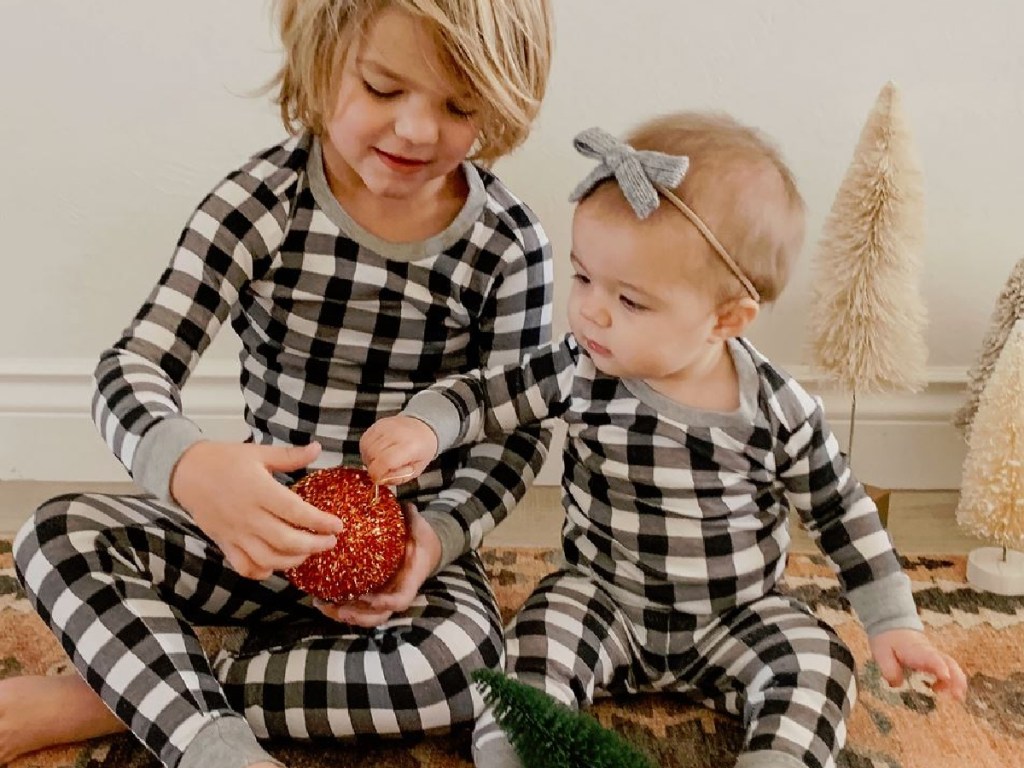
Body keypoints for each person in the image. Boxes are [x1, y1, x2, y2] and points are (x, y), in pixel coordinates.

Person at [1, 1, 555, 767]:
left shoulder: (510, 244)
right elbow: (132, 367)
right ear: (323, 62)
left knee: (463, 668)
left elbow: (517, 430)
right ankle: (213, 745)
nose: (419, 130)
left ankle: (126, 697)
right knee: (55, 535)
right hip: (255, 538)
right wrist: (193, 469)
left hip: (405, 563)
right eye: (384, 89)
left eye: (458, 106)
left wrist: (436, 539)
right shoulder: (261, 203)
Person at [360, 113, 969, 768]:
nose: (592, 310)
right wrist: (425, 424)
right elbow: (484, 397)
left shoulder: (777, 408)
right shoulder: (580, 368)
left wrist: (894, 622)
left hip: (738, 614)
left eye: (631, 301)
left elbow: (842, 513)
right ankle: (520, 755)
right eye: (585, 278)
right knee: (530, 655)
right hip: (603, 598)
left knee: (820, 665)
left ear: (726, 318)